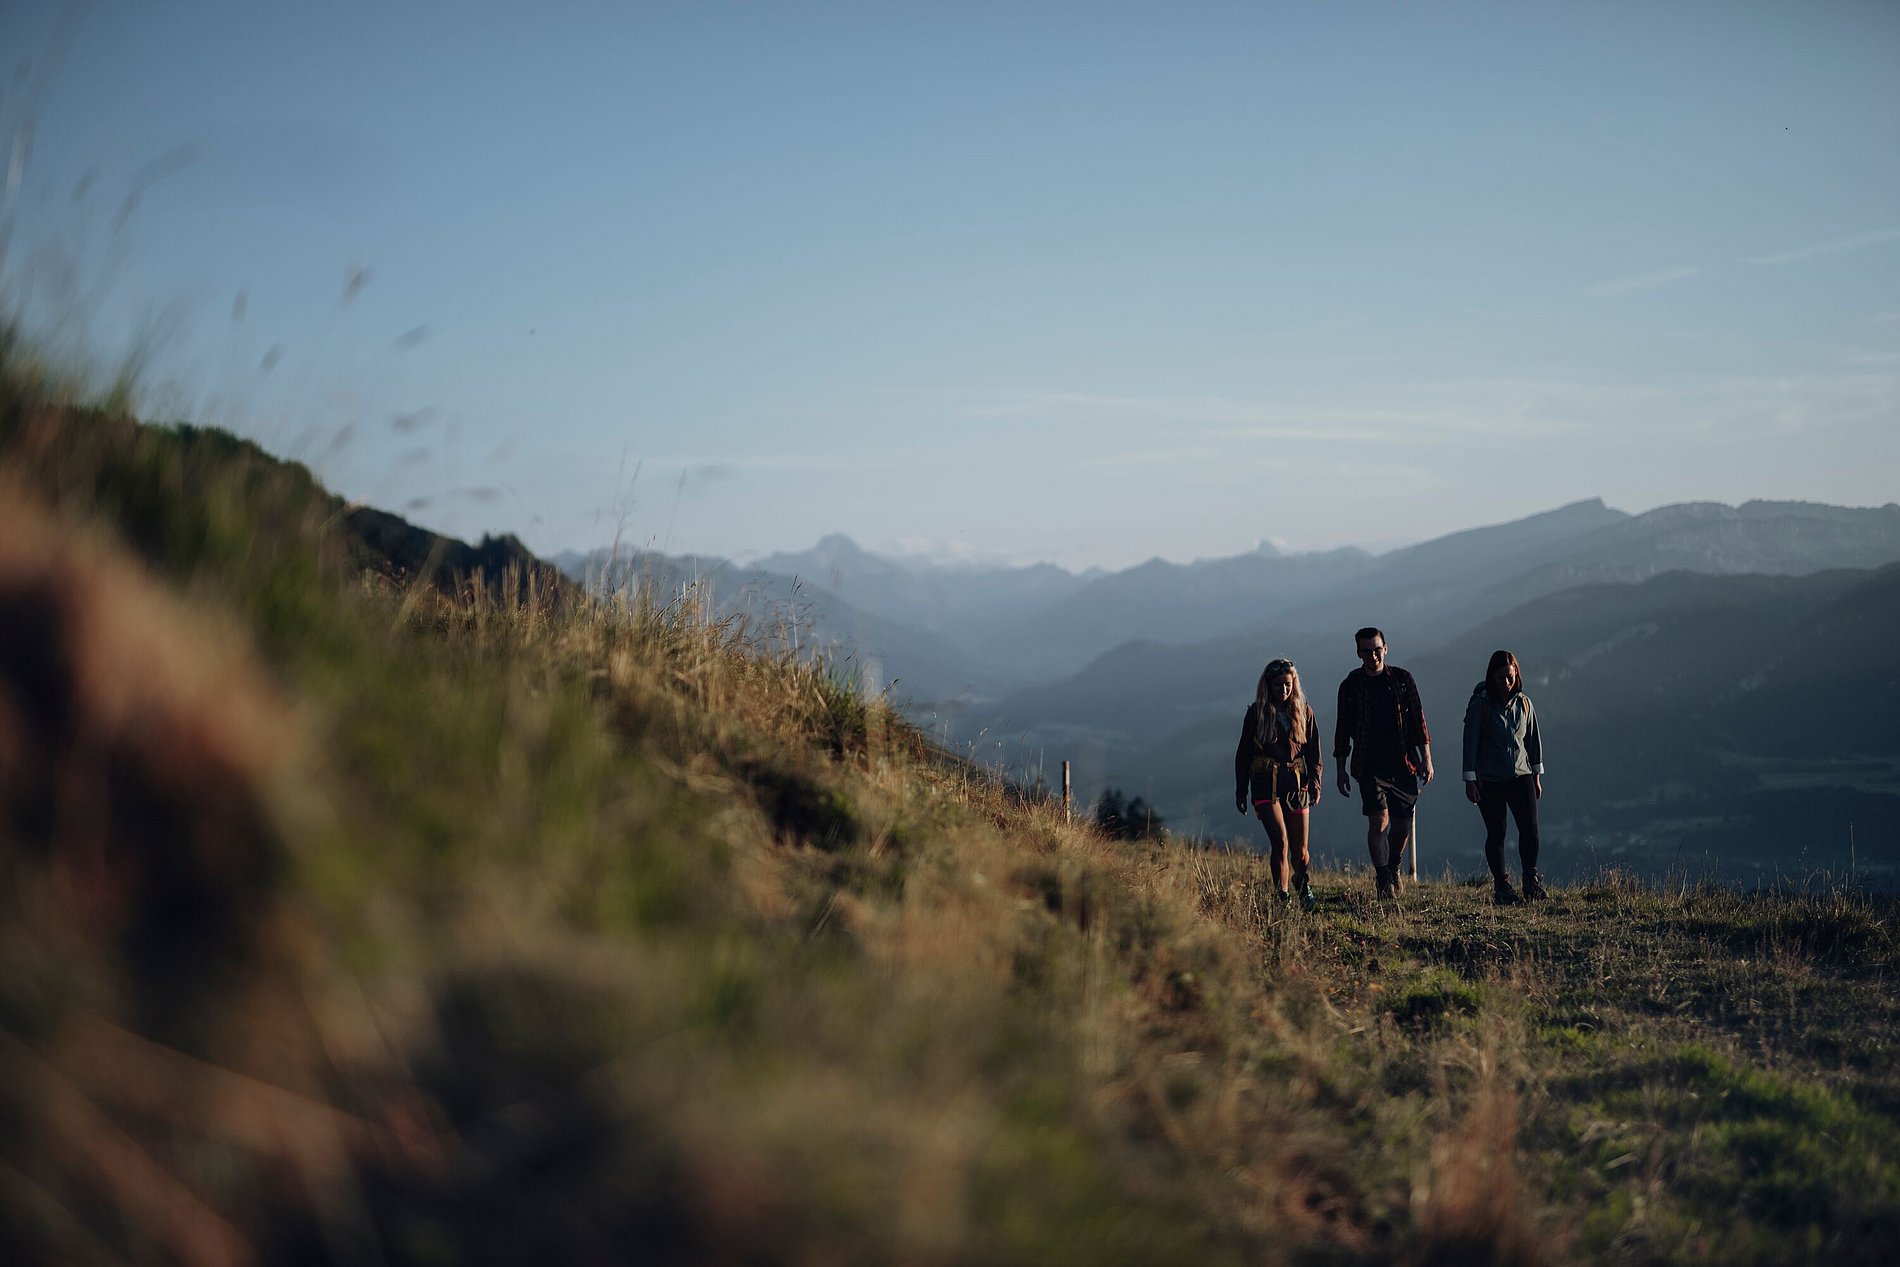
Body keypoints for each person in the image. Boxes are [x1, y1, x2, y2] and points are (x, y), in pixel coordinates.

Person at [1334, 627, 1434, 900]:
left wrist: (1426, 758)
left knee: (1402, 825)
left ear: (1385, 648)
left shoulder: (1402, 680)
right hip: (1368, 764)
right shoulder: (1351, 686)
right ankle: (1383, 880)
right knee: (1378, 820)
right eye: (1366, 651)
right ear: (1358, 653)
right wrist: (1340, 769)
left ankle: (1393, 865)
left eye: (1377, 649)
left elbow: (1418, 721)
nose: (1372, 655)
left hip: (1403, 763)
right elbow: (1342, 730)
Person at [1234, 658, 1323, 910]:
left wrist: (1315, 783)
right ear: (1268, 685)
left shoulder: (1305, 712)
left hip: (1297, 785)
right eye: (1277, 685)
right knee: (1280, 843)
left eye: (1287, 684)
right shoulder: (1256, 713)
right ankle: (1281, 896)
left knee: (1301, 851)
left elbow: (1314, 752)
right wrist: (1241, 790)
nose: (1283, 690)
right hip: (1265, 785)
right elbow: (1243, 754)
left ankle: (1301, 882)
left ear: (1293, 684)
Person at [1461, 649, 1547, 904]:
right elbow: (1470, 744)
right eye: (1501, 678)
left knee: (1530, 830)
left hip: (1521, 775)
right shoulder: (1480, 706)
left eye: (1510, 677)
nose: (1506, 683)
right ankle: (1502, 887)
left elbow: (1533, 740)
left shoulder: (1524, 704)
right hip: (1491, 780)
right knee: (1497, 833)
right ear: (1491, 677)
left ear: (1516, 675)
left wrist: (1536, 776)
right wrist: (1470, 780)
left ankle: (1530, 881)